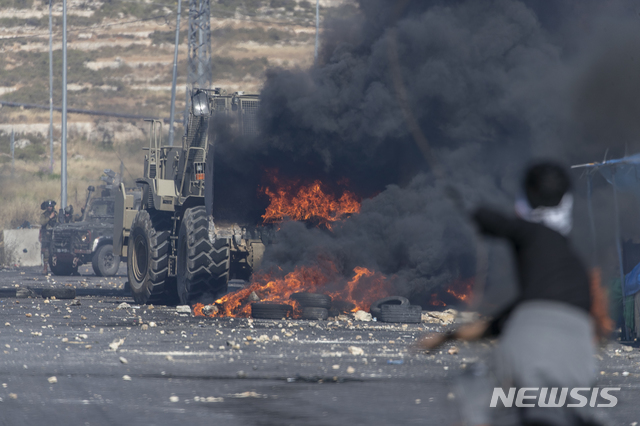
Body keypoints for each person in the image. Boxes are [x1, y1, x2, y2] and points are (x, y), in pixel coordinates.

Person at [415, 162, 606, 426]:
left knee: (474, 391)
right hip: (579, 358)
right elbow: (504, 321)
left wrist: (470, 206)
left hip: (526, 346)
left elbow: (498, 223)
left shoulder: (532, 233)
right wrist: (447, 336)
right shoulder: (573, 272)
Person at [39, 200, 57, 274]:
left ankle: (56, 268)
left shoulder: (56, 214)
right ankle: (45, 268)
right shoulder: (44, 215)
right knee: (46, 253)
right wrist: (50, 217)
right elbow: (42, 222)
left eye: (51, 206)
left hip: (54, 235)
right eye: (49, 206)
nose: (50, 207)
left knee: (55, 252)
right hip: (46, 236)